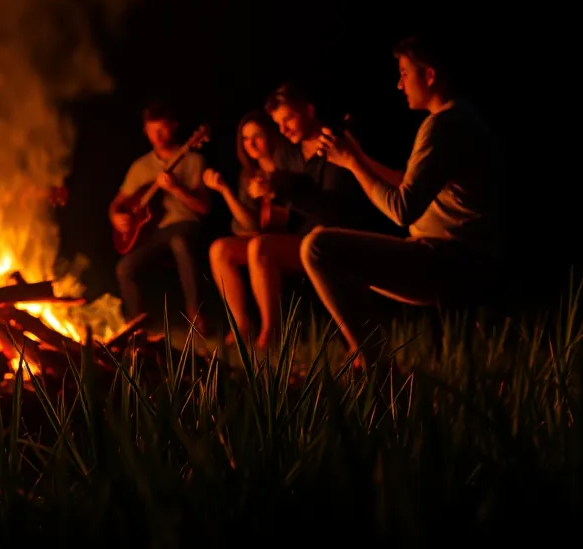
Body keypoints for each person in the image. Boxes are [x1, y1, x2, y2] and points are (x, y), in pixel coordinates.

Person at [305, 35, 503, 369]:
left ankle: (376, 365)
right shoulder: (464, 118)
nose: (399, 84)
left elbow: (402, 209)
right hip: (469, 256)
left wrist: (353, 163)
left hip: (451, 260)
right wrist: (356, 156)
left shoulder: (442, 126)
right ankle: (375, 359)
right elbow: (411, 184)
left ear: (429, 76)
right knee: (339, 256)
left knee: (318, 247)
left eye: (404, 73)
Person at [243, 82, 372, 349]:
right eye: (278, 123)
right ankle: (270, 332)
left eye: (288, 119)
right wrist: (265, 193)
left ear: (309, 110)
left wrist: (282, 195)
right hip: (303, 239)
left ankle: (357, 343)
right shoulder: (286, 154)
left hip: (341, 236)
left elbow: (334, 209)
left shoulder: (335, 143)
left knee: (314, 240)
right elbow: (282, 212)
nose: (283, 128)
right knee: (257, 247)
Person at [110, 102, 211, 330]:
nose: (157, 135)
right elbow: (116, 205)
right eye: (151, 130)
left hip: (185, 225)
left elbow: (204, 208)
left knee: (179, 241)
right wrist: (117, 217)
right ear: (145, 131)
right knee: (124, 268)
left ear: (174, 126)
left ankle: (196, 315)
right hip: (154, 233)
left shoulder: (194, 160)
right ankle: (138, 324)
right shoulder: (140, 166)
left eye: (163, 128)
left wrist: (176, 189)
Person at [203, 110, 291, 347]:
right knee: (220, 249)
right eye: (245, 138)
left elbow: (288, 216)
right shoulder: (249, 174)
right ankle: (242, 324)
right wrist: (224, 191)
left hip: (292, 239)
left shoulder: (288, 163)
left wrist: (273, 191)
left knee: (257, 246)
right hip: (262, 239)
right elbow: (250, 224)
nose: (250, 143)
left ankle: (270, 330)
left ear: (270, 136)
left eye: (257, 136)